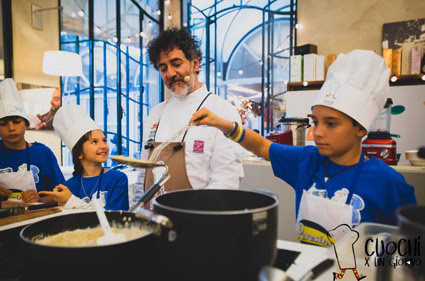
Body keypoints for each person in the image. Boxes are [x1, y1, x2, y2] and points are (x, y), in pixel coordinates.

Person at [190, 50, 417, 247]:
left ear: (360, 128)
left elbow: (409, 252)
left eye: (331, 123)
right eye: (315, 122)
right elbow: (261, 145)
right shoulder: (306, 162)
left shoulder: (390, 183)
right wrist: (219, 123)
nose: (317, 132)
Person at [134, 28, 243, 206]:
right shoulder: (157, 113)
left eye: (176, 64)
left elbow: (227, 179)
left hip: (198, 220)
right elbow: (143, 172)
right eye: (163, 68)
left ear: (195, 64)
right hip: (152, 219)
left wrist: (197, 216)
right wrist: (137, 211)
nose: (170, 73)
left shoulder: (222, 112)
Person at [39, 104, 129, 211]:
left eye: (104, 140)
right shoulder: (69, 186)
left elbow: (113, 218)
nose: (103, 146)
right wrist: (38, 199)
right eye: (94, 142)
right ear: (79, 154)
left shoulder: (117, 179)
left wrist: (70, 200)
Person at [0, 79, 64, 203]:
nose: (11, 128)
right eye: (3, 124)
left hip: (38, 219)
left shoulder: (43, 153)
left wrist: (39, 199)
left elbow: (60, 194)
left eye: (16, 122)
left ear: (26, 124)